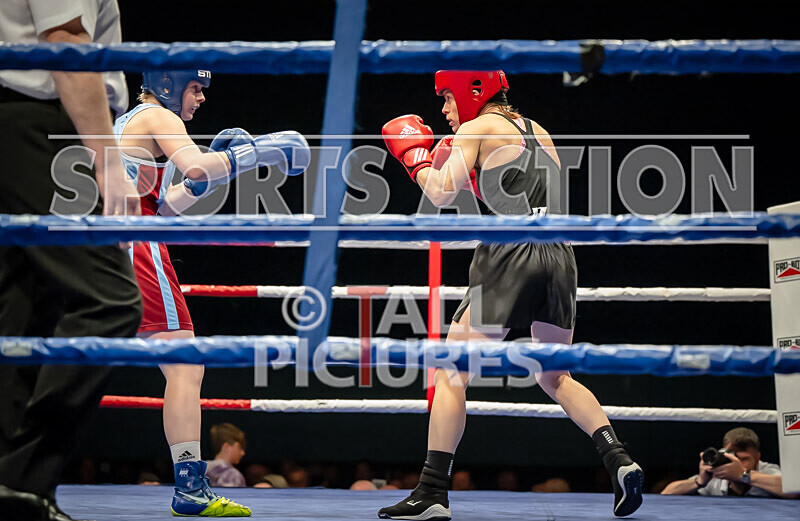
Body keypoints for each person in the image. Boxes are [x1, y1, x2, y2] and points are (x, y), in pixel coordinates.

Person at [379, 70, 643, 519]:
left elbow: (441, 196)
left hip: (508, 252)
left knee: (451, 371)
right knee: (554, 376)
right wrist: (457, 167)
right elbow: (514, 191)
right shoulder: (538, 132)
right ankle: (619, 458)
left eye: (446, 98)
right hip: (559, 258)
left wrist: (418, 162)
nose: (444, 110)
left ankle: (431, 491)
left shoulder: (475, 127)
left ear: (471, 92)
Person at [114, 69, 310, 517]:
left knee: (73, 364)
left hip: (110, 240)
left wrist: (212, 178)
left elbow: (167, 203)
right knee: (185, 368)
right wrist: (258, 151)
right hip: (136, 245)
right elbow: (194, 168)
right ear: (169, 86)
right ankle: (189, 489)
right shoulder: (159, 117)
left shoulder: (127, 122)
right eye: (195, 88)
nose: (201, 98)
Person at [0, 2, 144, 520]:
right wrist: (107, 162)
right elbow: (64, 40)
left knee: (25, 309)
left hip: (27, 122)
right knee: (112, 302)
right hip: (43, 123)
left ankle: (16, 490)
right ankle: (21, 475)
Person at [661, 427, 798, 498]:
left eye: (744, 459)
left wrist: (743, 474)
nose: (737, 464)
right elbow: (667, 494)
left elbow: (794, 491)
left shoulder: (767, 471)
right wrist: (700, 481)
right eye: (734, 458)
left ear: (757, 458)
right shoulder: (719, 474)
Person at [206, 423, 247, 488]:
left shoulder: (200, 470)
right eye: (240, 448)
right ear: (226, 447)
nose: (243, 453)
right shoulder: (233, 475)